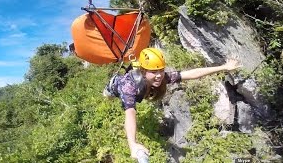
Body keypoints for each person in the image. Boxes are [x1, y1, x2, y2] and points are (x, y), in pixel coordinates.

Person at [103, 47, 241, 160]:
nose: (159, 75)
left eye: (161, 70)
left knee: (155, 84)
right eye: (153, 72)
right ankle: (107, 92)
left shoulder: (162, 77)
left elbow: (190, 74)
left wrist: (224, 67)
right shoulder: (129, 86)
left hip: (142, 88)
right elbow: (130, 114)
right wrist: (132, 144)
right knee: (108, 97)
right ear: (144, 71)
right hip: (114, 88)